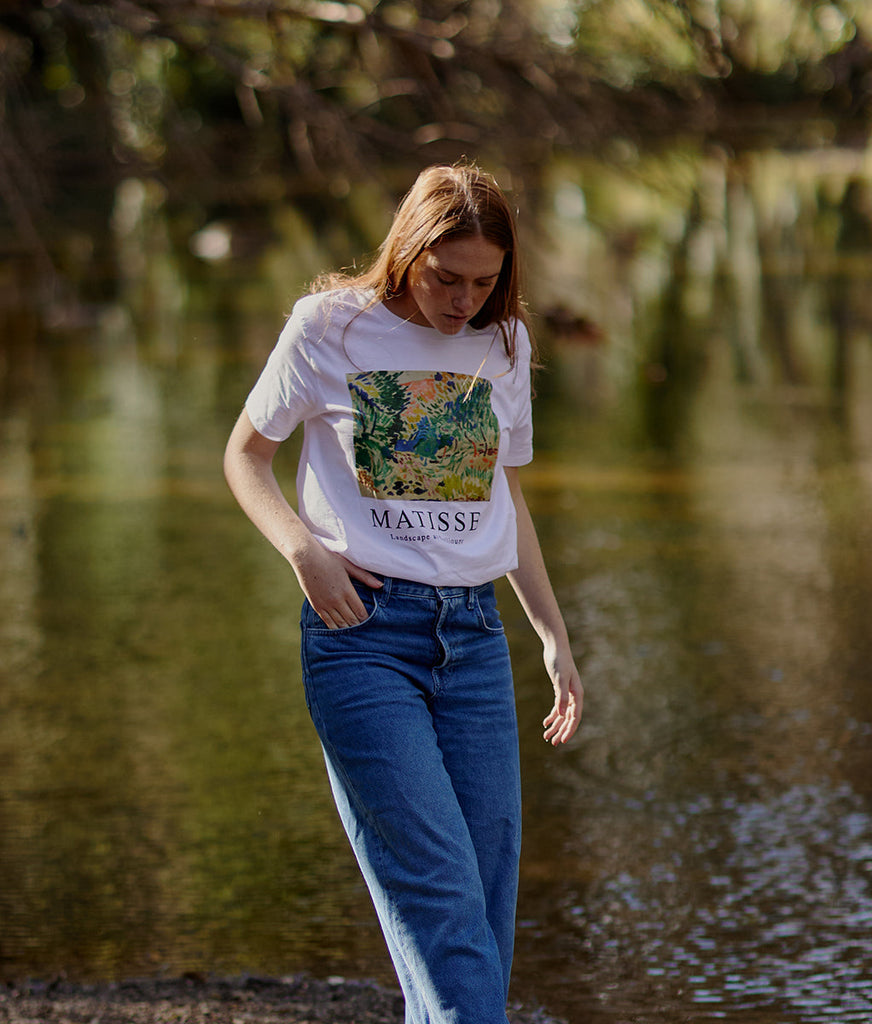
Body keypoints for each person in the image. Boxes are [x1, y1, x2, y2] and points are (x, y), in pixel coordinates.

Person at [222, 163, 584, 1024]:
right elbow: (244, 456)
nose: (464, 299)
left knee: (484, 911)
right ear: (408, 250)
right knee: (441, 897)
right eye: (446, 277)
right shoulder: (329, 328)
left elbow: (507, 495)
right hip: (363, 639)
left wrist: (553, 636)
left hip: (475, 642)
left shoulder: (503, 343)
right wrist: (303, 551)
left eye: (485, 281)